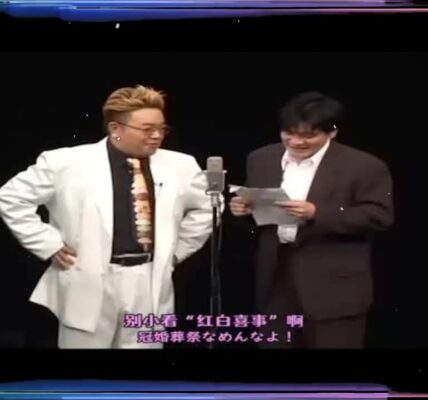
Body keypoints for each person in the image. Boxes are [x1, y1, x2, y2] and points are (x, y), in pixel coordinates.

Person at [0, 85, 216, 349]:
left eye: (162, 128)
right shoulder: (66, 162)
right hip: (87, 278)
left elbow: (208, 207)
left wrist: (178, 251)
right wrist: (49, 244)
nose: (157, 136)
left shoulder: (180, 165)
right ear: (116, 129)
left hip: (146, 279)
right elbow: (10, 197)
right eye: (147, 129)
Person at [229, 91, 394, 349]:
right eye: (289, 133)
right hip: (276, 280)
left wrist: (317, 212)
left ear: (332, 132)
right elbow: (258, 218)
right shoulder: (261, 159)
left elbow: (379, 216)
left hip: (334, 286)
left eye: (308, 135)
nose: (296, 142)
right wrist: (244, 210)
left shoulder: (364, 166)